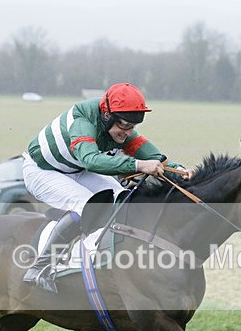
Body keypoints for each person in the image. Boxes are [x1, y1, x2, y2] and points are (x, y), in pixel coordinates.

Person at [21, 82, 187, 293]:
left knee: (121, 197)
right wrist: (138, 165)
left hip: (76, 168)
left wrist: (179, 170)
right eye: (124, 125)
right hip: (42, 171)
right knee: (87, 205)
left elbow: (153, 156)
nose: (128, 132)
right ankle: (40, 267)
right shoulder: (83, 121)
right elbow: (91, 160)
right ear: (107, 115)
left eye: (133, 126)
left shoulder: (118, 125)